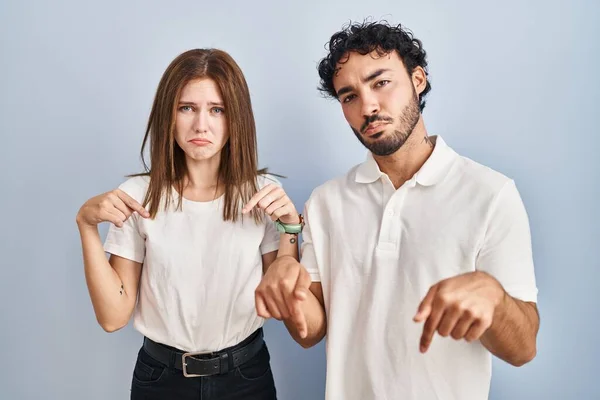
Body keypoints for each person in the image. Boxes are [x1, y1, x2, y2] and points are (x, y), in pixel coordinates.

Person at [255, 21, 540, 400]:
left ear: (418, 79)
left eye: (380, 83)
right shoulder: (326, 201)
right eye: (349, 96)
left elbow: (523, 350)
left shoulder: (491, 194)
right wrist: (284, 267)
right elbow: (310, 331)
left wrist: (494, 298)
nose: (368, 107)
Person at [76, 48, 302, 400]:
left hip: (246, 375)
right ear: (169, 115)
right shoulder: (138, 195)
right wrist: (86, 226)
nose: (201, 125)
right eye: (187, 108)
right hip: (161, 379)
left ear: (236, 118)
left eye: (217, 110)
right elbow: (113, 317)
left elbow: (287, 309)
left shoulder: (263, 194)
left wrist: (290, 226)